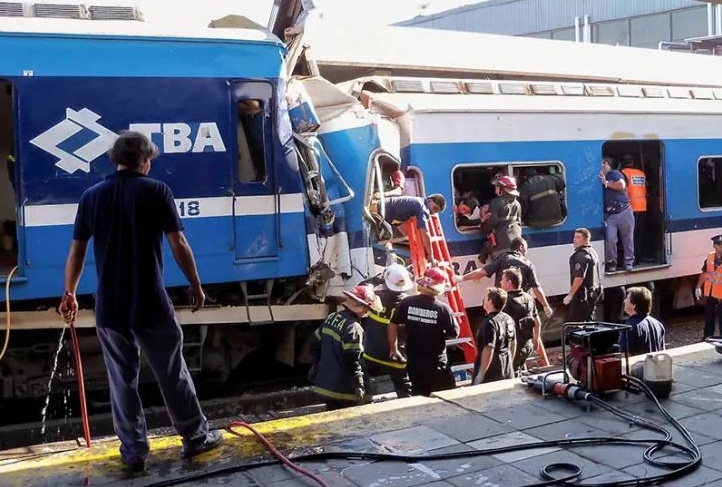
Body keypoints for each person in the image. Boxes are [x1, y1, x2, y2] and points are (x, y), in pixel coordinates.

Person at [58, 132, 222, 473]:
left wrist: (69, 292)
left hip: (110, 308)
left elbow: (77, 250)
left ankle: (133, 451)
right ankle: (194, 437)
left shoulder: (92, 196)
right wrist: (194, 282)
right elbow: (178, 242)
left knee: (122, 381)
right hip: (151, 302)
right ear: (144, 160)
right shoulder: (156, 190)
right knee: (172, 373)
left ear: (116, 159)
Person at [388, 267, 459, 396]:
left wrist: (393, 349)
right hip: (436, 364)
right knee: (447, 397)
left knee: (419, 398)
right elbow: (454, 333)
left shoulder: (406, 303)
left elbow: (392, 324)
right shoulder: (443, 309)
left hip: (414, 363)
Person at [309, 284, 382, 410]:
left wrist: (316, 366)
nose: (366, 312)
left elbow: (314, 344)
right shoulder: (353, 328)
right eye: (367, 309)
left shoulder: (332, 318)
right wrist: (359, 384)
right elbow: (353, 359)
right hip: (344, 391)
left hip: (326, 387)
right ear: (363, 307)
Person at [459, 237, 553, 318]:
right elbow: (536, 288)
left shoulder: (503, 258)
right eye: (526, 248)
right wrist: (545, 306)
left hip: (501, 302)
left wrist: (461, 278)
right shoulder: (528, 264)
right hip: (520, 304)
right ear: (521, 247)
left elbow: (482, 272)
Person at [362, 264, 414, 398]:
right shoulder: (407, 303)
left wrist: (379, 279)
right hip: (395, 354)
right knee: (403, 385)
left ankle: (366, 401)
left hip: (372, 352)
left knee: (362, 379)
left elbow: (362, 287)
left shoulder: (375, 297)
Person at [371, 194, 447, 261]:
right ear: (430, 201)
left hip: (377, 210)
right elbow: (425, 233)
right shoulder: (422, 207)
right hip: (376, 215)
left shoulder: (417, 202)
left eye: (436, 211)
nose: (433, 212)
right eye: (435, 208)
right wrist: (431, 255)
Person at [499, 268, 540, 374]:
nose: (500, 282)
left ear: (509, 283)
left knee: (511, 373)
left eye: (502, 280)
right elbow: (537, 322)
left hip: (514, 347)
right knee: (519, 369)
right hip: (527, 345)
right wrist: (536, 340)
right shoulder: (529, 298)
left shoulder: (506, 301)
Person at [473, 287, 516, 384]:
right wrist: (509, 364)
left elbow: (488, 349)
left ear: (490, 301)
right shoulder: (508, 319)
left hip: (492, 374)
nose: (483, 299)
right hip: (507, 370)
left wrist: (481, 374)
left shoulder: (489, 323)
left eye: (486, 297)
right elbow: (513, 344)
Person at [600, 157, 634, 272]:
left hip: (624, 211)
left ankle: (629, 262)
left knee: (627, 239)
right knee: (610, 238)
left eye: (602, 163)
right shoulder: (602, 177)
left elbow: (621, 185)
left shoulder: (614, 174)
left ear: (607, 164)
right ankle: (612, 262)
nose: (601, 166)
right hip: (611, 215)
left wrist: (606, 183)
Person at [479, 176, 522, 262]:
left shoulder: (496, 203)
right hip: (516, 245)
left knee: (502, 273)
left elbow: (492, 223)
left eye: (497, 187)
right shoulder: (517, 204)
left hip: (500, 246)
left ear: (502, 189)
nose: (495, 189)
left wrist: (482, 227)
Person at [564, 228, 603, 323]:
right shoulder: (592, 252)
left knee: (578, 325)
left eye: (578, 237)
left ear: (586, 240)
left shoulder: (581, 255)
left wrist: (570, 295)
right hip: (592, 293)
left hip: (582, 296)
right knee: (588, 322)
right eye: (574, 237)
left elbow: (579, 277)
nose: (574, 240)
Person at [619, 286, 665, 356]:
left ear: (634, 305)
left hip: (638, 366)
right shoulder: (658, 324)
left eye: (627, 298)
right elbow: (662, 353)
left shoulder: (629, 327)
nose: (624, 301)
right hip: (654, 366)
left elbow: (625, 356)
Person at [620, 155, 648, 264]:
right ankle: (639, 257)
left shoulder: (623, 173)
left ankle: (631, 259)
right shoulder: (641, 173)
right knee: (639, 234)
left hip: (629, 208)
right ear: (632, 162)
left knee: (629, 236)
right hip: (642, 207)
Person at [695, 234, 722, 340]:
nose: (721, 247)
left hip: (721, 295)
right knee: (709, 316)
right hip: (710, 292)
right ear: (714, 246)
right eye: (719, 245)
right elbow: (705, 273)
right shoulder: (710, 256)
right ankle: (708, 337)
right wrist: (698, 286)